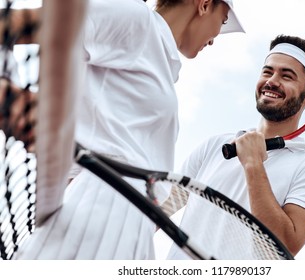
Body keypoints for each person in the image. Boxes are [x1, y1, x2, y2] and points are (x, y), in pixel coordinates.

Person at [2, 0, 244, 259]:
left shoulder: (160, 59)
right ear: (204, 4)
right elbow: (12, 25)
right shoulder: (138, 20)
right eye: (225, 18)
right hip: (101, 215)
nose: (217, 36)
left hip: (127, 226)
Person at [166, 34, 305, 259]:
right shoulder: (214, 145)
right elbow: (162, 206)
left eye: (287, 76)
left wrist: (253, 164)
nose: (272, 81)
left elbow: (284, 245)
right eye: (267, 72)